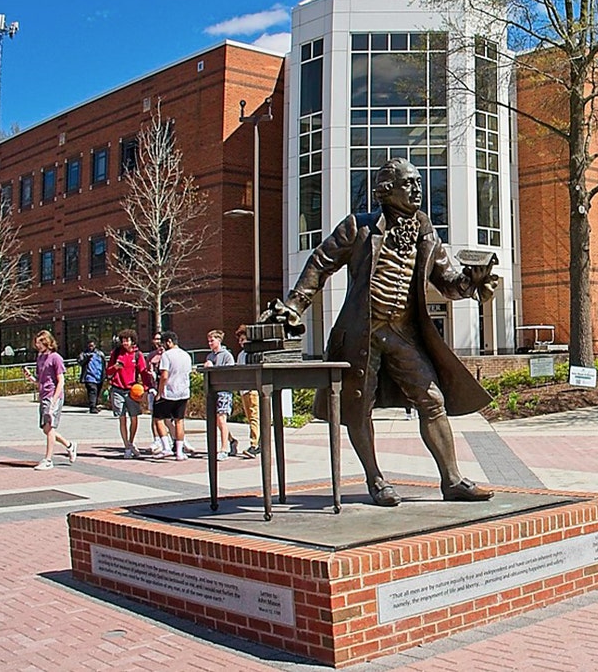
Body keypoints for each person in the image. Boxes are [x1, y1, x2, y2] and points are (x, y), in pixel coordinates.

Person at [261, 157, 498, 507]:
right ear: (386, 190)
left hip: (403, 333)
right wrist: (295, 305)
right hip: (363, 334)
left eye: (418, 182)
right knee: (359, 408)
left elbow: (447, 281)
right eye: (408, 183)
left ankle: (452, 480)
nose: (417, 189)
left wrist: (472, 283)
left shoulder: (426, 232)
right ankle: (375, 479)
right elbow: (321, 262)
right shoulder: (358, 227)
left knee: (432, 399)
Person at [22, 330, 78, 470]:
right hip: (43, 396)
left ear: (47, 343)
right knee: (46, 429)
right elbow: (40, 380)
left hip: (53, 396)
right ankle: (69, 445)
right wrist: (30, 377)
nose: (37, 345)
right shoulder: (40, 358)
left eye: (39, 343)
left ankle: (48, 460)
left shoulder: (56, 358)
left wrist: (54, 400)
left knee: (50, 427)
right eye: (36, 343)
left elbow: (61, 381)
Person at [106, 329, 148, 458]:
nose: (125, 343)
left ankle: (131, 441)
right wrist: (115, 367)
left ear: (132, 341)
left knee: (134, 418)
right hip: (117, 389)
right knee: (122, 418)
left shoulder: (137, 355)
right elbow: (108, 371)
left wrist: (146, 389)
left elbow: (143, 372)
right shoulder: (116, 353)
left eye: (127, 340)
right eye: (123, 340)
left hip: (132, 390)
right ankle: (127, 446)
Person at [154, 331, 193, 460]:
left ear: (169, 342)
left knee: (158, 418)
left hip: (169, 392)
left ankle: (166, 448)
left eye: (164, 343)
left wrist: (160, 392)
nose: (163, 346)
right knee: (179, 421)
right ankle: (179, 452)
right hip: (183, 392)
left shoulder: (167, 355)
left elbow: (164, 376)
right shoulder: (186, 355)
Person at [205, 329, 239, 460]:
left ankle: (224, 448)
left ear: (219, 340)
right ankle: (231, 440)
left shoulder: (226, 356)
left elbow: (229, 373)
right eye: (209, 341)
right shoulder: (210, 356)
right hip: (214, 391)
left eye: (212, 341)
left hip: (224, 390)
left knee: (221, 419)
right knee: (218, 421)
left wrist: (213, 368)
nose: (210, 343)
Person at [234, 324, 261, 458]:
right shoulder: (241, 355)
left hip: (252, 389)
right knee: (250, 418)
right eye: (239, 340)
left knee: (254, 416)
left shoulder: (252, 354)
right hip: (244, 390)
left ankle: (254, 444)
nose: (241, 342)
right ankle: (258, 443)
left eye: (243, 339)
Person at [145, 332, 166, 453]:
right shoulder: (151, 356)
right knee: (154, 416)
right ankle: (157, 440)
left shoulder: (168, 355)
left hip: (167, 390)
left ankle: (172, 440)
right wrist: (148, 387)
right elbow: (146, 373)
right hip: (154, 389)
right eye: (156, 339)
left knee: (169, 418)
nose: (158, 342)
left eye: (160, 339)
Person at [78, 340, 106, 413]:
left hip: (99, 376)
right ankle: (92, 407)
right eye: (89, 346)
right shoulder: (84, 354)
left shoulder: (100, 354)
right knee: (92, 390)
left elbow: (104, 364)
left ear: (95, 345)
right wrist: (86, 358)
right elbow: (80, 362)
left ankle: (95, 405)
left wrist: (105, 375)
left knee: (97, 391)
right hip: (89, 377)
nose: (91, 347)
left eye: (92, 346)